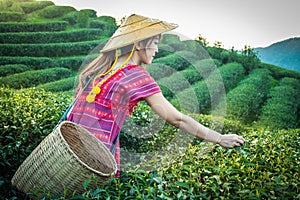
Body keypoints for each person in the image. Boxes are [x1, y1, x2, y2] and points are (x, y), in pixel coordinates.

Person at [67, 14, 245, 177]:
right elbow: (177, 119)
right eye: (155, 43)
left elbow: (72, 114)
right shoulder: (137, 76)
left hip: (68, 150)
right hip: (97, 159)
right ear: (138, 44)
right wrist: (219, 138)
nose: (157, 50)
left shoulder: (99, 69)